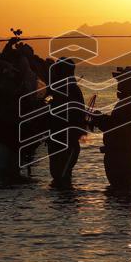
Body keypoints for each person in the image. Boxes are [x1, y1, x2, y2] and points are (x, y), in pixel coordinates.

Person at [91, 66, 131, 190]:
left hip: (121, 158)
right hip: (120, 156)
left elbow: (115, 127)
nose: (118, 84)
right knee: (120, 197)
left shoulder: (130, 104)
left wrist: (98, 117)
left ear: (128, 83)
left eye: (121, 81)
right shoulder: (129, 102)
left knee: (120, 195)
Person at [46, 56, 86, 186]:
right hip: (61, 141)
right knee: (60, 177)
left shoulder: (68, 90)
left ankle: (64, 204)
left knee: (61, 178)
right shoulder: (63, 89)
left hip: (65, 142)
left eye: (57, 70)